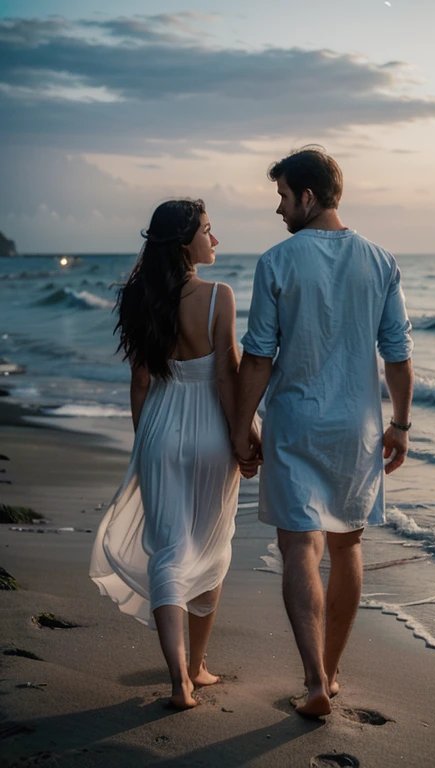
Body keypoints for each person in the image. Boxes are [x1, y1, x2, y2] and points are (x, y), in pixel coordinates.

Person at [233, 148, 414, 718]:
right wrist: (401, 425)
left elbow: (257, 357)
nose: (279, 208)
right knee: (347, 544)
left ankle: (312, 679)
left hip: (295, 423)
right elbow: (399, 358)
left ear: (307, 196)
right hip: (356, 430)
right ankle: (331, 674)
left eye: (283, 196)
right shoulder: (381, 261)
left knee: (298, 547)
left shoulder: (277, 262)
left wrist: (243, 426)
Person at [90, 199, 255, 710]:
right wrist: (242, 435)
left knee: (169, 551)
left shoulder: (142, 299)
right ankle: (199, 666)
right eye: (208, 231)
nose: (215, 239)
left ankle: (179, 679)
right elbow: (228, 375)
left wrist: (144, 445)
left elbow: (140, 382)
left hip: (161, 431)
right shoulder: (218, 296)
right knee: (212, 545)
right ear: (186, 243)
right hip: (210, 432)